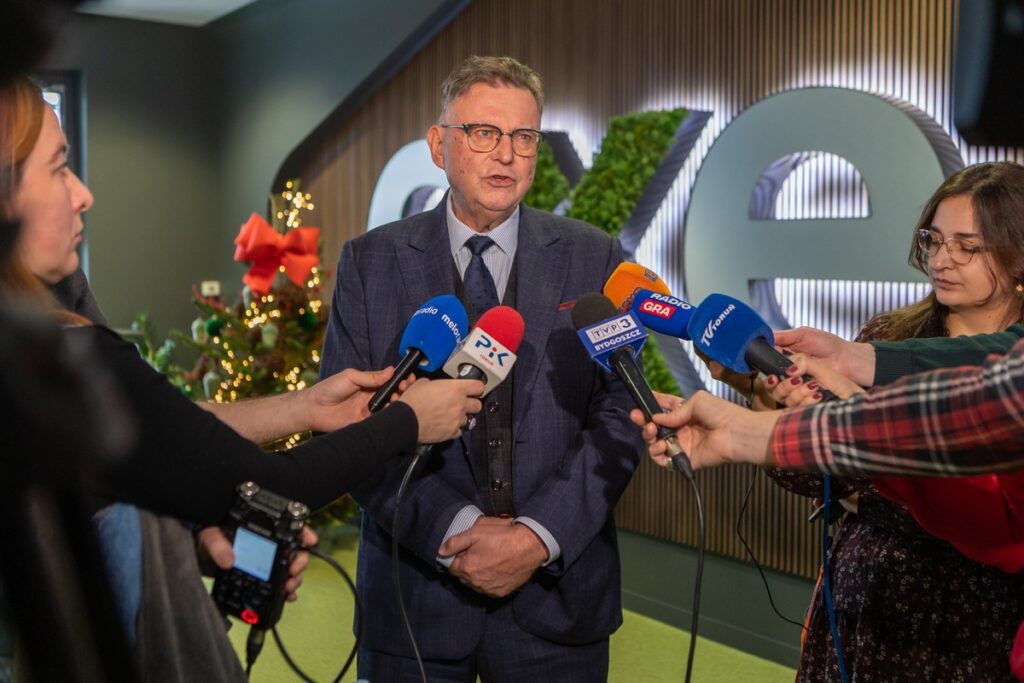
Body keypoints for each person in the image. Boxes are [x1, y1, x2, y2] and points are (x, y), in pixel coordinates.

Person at [1, 74, 485, 679]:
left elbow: (166, 435)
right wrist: (408, 421)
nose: (83, 194)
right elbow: (271, 482)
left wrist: (304, 408)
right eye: (58, 168)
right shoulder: (62, 358)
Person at [320, 55, 642, 681]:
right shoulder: (370, 262)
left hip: (558, 604)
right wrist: (456, 529)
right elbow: (351, 426)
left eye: (524, 137)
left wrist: (537, 536)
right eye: (483, 133)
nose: (506, 155)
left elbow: (622, 410)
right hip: (414, 600)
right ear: (438, 145)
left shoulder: (594, 255)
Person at [737, 163, 1024, 682]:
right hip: (864, 591)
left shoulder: (1011, 378)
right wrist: (771, 410)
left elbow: (993, 511)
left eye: (967, 247)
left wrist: (868, 472)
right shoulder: (885, 336)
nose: (942, 260)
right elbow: (815, 478)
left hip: (981, 616)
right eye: (934, 240)